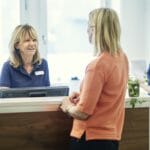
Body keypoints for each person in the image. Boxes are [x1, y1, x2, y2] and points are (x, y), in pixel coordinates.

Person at [60, 8, 129, 150]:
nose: (87, 31)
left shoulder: (97, 65)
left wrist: (67, 106)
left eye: (89, 27)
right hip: (111, 138)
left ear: (97, 30)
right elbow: (108, 95)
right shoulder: (122, 58)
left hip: (90, 139)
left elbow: (82, 113)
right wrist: (83, 95)